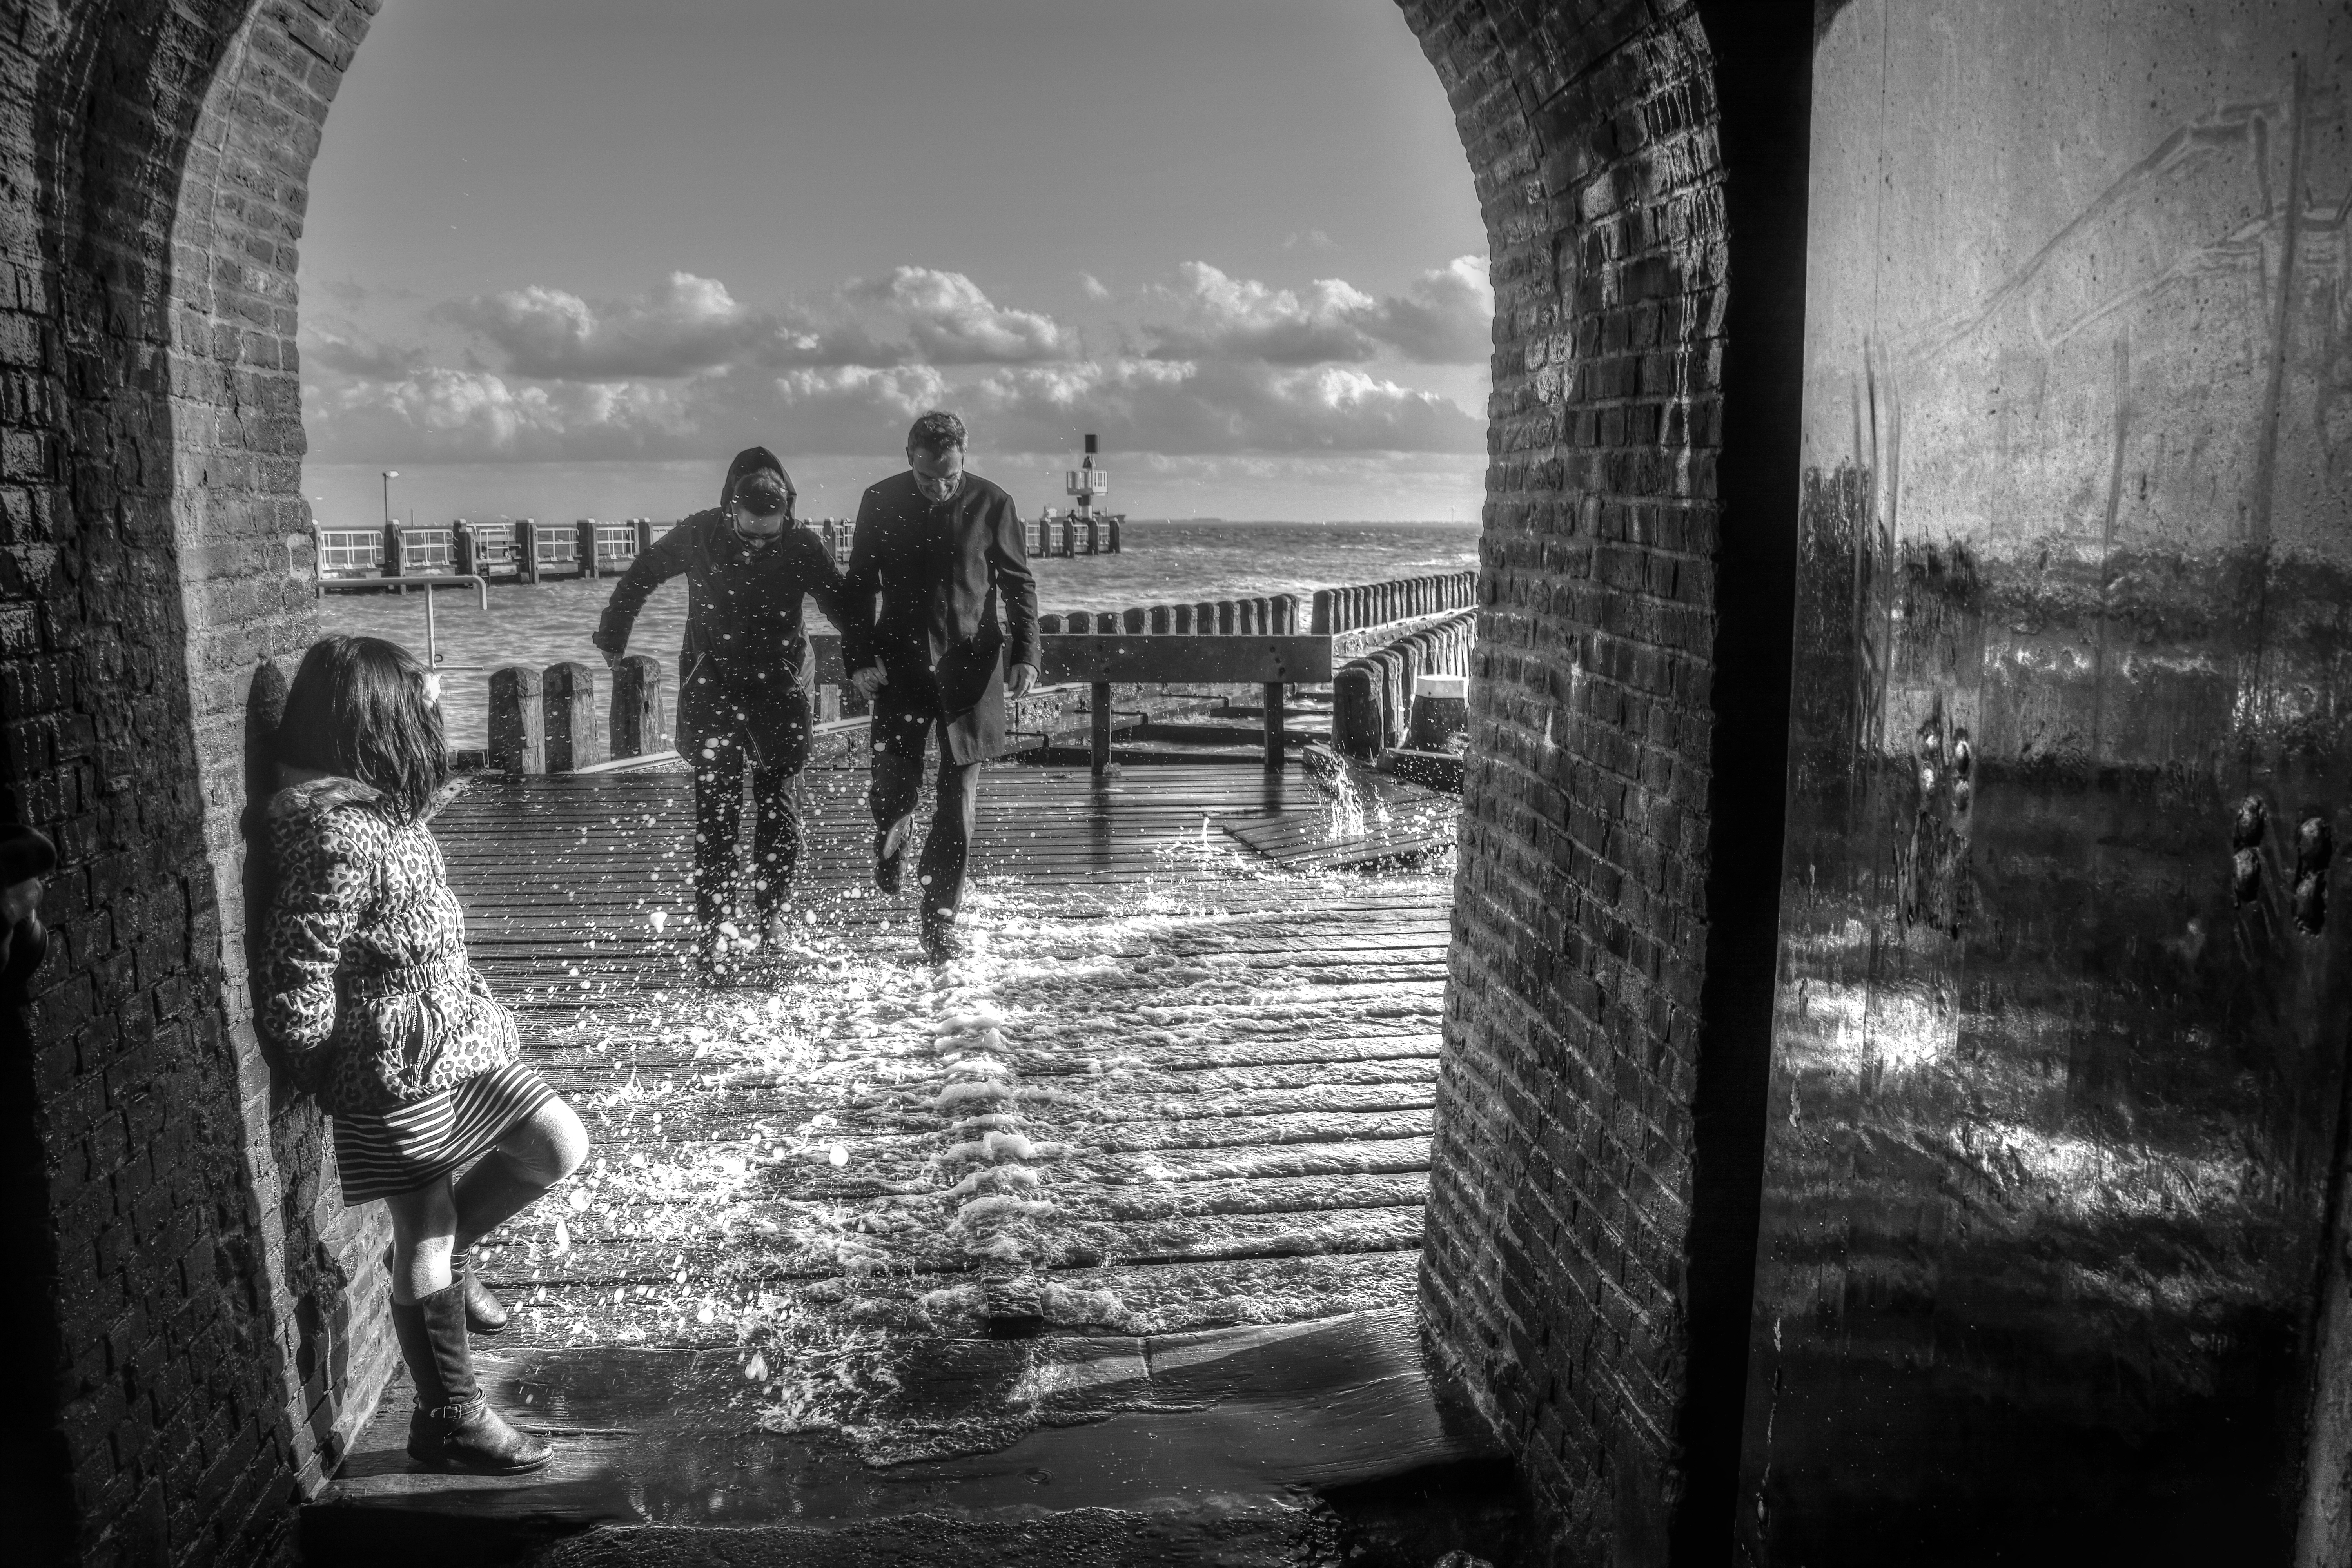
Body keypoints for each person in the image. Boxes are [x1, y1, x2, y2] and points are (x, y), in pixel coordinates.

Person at [260, 636, 589, 1475]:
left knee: (557, 1143)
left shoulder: (376, 812)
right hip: (390, 1057)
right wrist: (315, 1066)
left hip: (459, 1031)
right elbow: (298, 964)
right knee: (425, 1229)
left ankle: (445, 1275)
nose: (430, 723)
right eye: (418, 710)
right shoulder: (333, 833)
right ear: (371, 725)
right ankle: (450, 1417)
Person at [593, 447, 851, 979]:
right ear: (731, 510)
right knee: (716, 815)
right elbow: (641, 575)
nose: (758, 544)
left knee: (779, 808)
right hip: (712, 687)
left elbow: (843, 606)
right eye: (748, 532)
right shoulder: (700, 534)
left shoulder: (803, 544)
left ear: (788, 514)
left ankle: (774, 915)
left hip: (780, 690)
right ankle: (718, 927)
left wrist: (872, 661)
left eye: (769, 535)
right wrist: (614, 635)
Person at [842, 411, 1038, 962]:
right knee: (892, 785)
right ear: (911, 459)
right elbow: (858, 587)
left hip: (970, 672)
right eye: (929, 477)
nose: (940, 487)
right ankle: (893, 835)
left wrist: (1027, 654)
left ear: (963, 460)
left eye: (950, 476)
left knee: (958, 805)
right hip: (900, 668)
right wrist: (858, 661)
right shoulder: (880, 501)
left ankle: (940, 923)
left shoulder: (993, 503)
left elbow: (1020, 584)